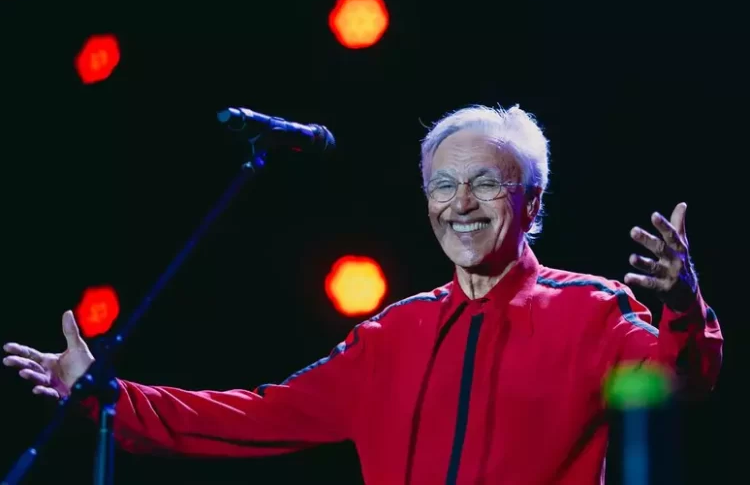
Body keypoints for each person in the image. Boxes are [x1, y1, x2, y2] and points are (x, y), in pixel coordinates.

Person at [3, 104, 723, 484]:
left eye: (485, 184)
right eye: (442, 184)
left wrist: (683, 305)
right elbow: (257, 417)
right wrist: (107, 395)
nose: (460, 202)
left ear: (531, 204)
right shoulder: (391, 337)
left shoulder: (592, 312)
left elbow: (679, 377)